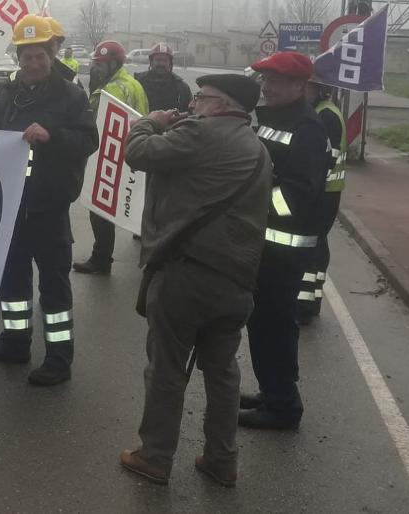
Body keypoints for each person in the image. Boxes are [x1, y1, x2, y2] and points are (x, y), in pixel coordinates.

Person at [118, 74, 270, 487]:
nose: (194, 105)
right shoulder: (256, 147)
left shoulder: (201, 133)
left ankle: (154, 456)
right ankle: (222, 459)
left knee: (166, 369)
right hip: (238, 277)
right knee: (222, 371)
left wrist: (150, 121)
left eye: (201, 98)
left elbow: (138, 152)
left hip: (189, 272)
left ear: (221, 105)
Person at [0, 14, 98, 386]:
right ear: (18, 57)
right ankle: (15, 342)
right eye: (26, 56)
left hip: (48, 203)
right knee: (12, 277)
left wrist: (52, 135)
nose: (33, 63)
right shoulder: (10, 93)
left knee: (54, 284)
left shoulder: (71, 95)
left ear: (52, 53)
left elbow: (89, 141)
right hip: (11, 203)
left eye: (40, 55)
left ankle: (59, 358)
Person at [240, 51, 331, 430]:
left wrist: (251, 198)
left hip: (284, 248)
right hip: (267, 244)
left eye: (274, 80)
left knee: (274, 324)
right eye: (264, 79)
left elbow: (296, 195)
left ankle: (282, 407)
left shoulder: (307, 128)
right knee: (265, 323)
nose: (266, 86)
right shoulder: (276, 118)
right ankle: (273, 391)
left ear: (299, 86)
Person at [73, 40, 149, 276]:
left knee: (100, 207)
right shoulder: (132, 83)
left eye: (101, 64)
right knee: (135, 203)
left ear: (114, 64)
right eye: (96, 63)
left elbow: (98, 122)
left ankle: (101, 258)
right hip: (133, 149)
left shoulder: (113, 89)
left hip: (111, 153)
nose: (96, 67)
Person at [299, 79, 346, 323]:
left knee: (311, 246)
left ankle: (305, 305)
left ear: (320, 89)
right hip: (325, 189)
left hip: (323, 191)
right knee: (317, 245)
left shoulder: (326, 115)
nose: (301, 91)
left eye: (305, 87)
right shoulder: (321, 110)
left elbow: (326, 157)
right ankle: (311, 300)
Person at [134, 42, 191, 113]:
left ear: (170, 63)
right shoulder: (138, 82)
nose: (161, 63)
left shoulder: (181, 87)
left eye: (165, 60)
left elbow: (188, 112)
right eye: (158, 60)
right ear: (151, 62)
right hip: (143, 123)